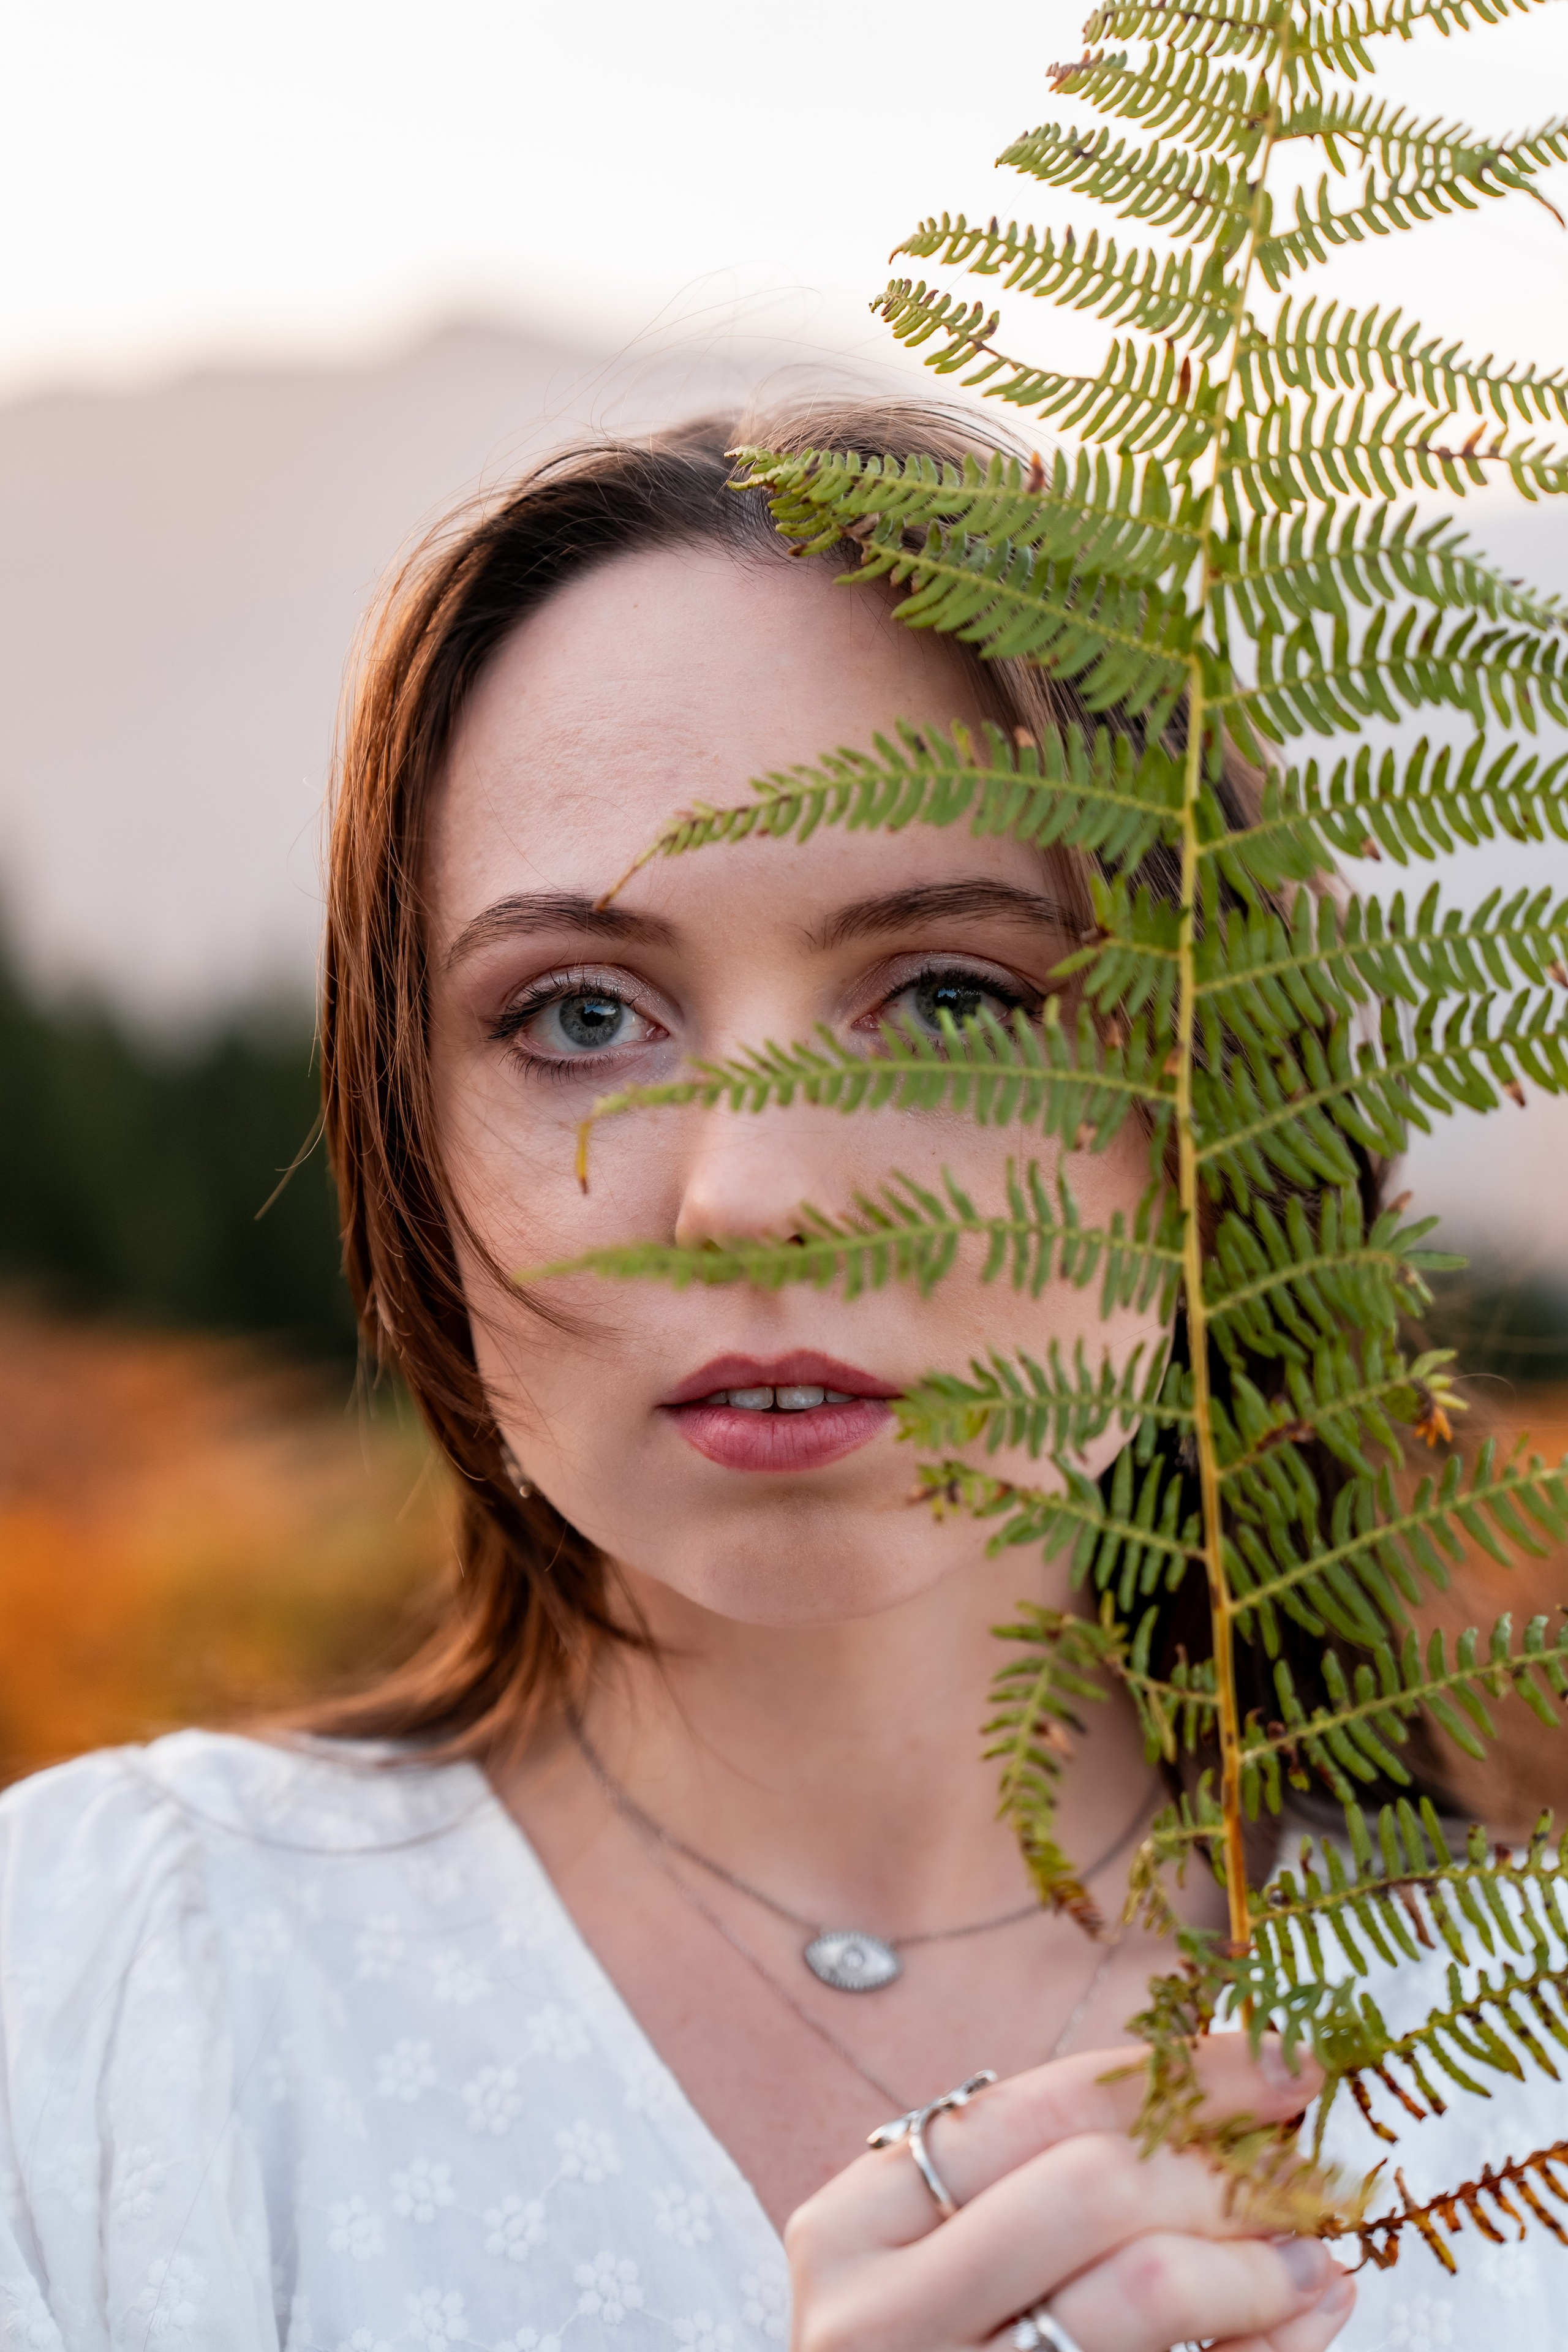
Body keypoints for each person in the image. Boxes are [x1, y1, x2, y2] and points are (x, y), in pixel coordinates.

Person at [0, 399, 1558, 2352]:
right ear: (408, 1130)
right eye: (581, 1014)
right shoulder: (91, 2000)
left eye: (958, 998)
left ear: (1210, 1112)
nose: (752, 1200)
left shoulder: (1524, 2061)